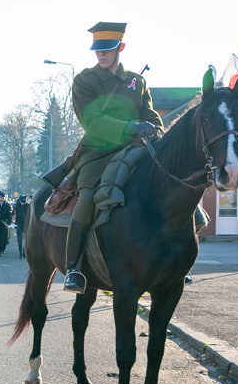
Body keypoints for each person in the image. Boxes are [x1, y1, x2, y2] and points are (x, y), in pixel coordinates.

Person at [62, 22, 163, 293]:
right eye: (98, 50)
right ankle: (74, 268)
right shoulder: (85, 81)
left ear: (121, 47)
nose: (101, 55)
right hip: (97, 153)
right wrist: (130, 127)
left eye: (107, 50)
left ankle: (170, 263)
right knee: (85, 199)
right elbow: (91, 120)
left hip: (137, 149)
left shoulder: (137, 82)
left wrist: (156, 129)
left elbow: (151, 115)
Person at [0, 190, 11, 256]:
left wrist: (8, 223)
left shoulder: (7, 205)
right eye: (1, 197)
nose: (2, 199)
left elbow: (9, 215)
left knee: (2, 237)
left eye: (3, 198)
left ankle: (0, 250)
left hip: (4, 223)